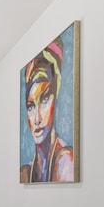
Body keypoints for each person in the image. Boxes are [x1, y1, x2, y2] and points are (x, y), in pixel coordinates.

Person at [20, 37, 74, 183]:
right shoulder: (25, 173)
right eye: (30, 106)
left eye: (44, 100)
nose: (37, 118)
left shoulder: (66, 161)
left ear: (55, 99)